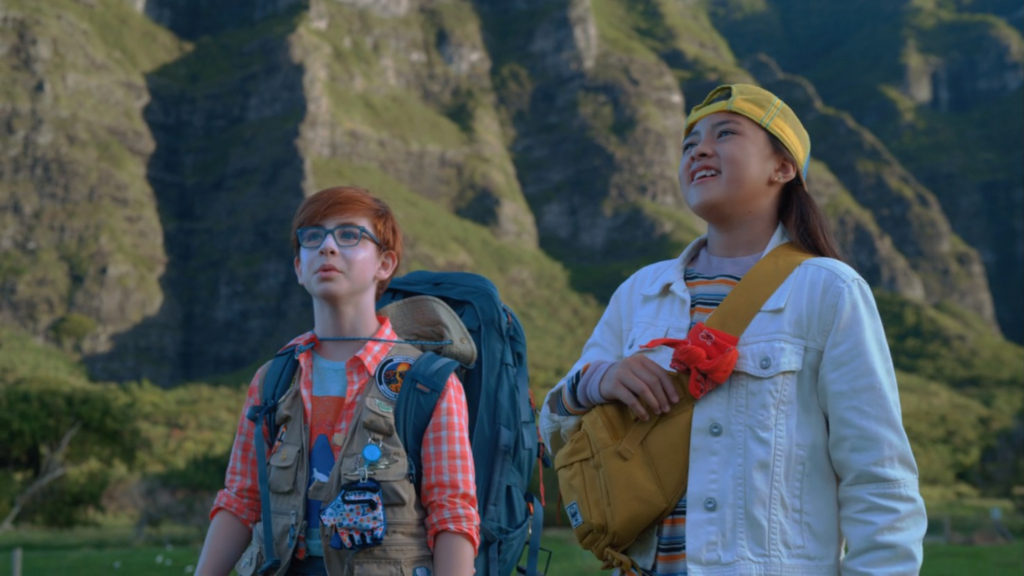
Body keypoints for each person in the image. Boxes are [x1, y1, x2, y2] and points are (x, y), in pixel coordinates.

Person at [540, 84, 927, 574]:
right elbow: (554, 433)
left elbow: (879, 477)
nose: (699, 149)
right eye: (689, 143)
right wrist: (596, 381)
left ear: (782, 168)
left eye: (725, 134)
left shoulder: (829, 290)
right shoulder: (639, 293)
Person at [196, 186, 479, 576]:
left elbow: (452, 515)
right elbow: (240, 502)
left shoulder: (427, 383)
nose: (327, 247)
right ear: (298, 267)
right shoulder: (273, 380)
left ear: (385, 263)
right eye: (312, 237)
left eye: (349, 235)